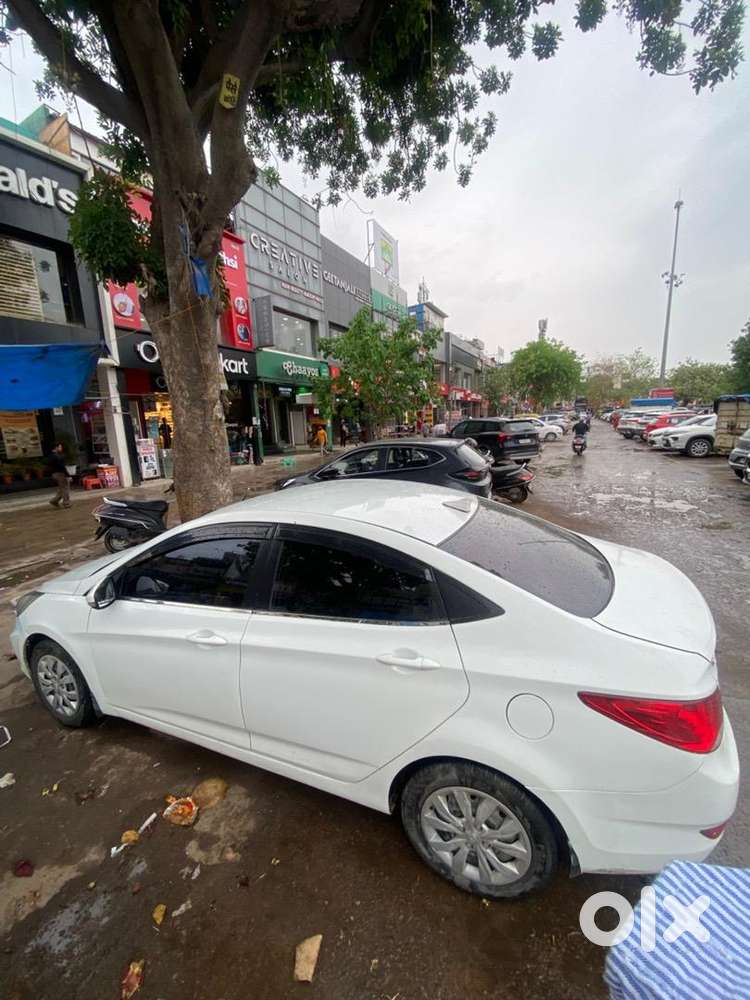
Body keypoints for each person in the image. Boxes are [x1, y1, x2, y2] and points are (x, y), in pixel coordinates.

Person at [48, 443, 71, 509]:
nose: (61, 448)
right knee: (65, 488)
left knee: (62, 488)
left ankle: (54, 500)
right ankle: (66, 503)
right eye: (60, 447)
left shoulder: (51, 456)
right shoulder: (57, 456)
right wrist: (68, 475)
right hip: (60, 474)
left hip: (54, 473)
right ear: (56, 448)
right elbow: (62, 466)